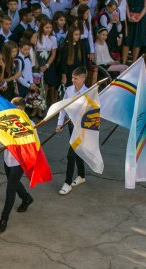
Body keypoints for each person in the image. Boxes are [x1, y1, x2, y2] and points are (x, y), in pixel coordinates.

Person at [55, 67, 88, 196]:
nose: (73, 80)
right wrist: (59, 123)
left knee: (70, 155)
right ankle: (81, 175)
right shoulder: (69, 90)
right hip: (70, 125)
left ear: (83, 78)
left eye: (76, 78)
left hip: (81, 128)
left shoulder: (88, 93)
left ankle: (67, 183)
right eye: (72, 77)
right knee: (77, 152)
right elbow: (63, 108)